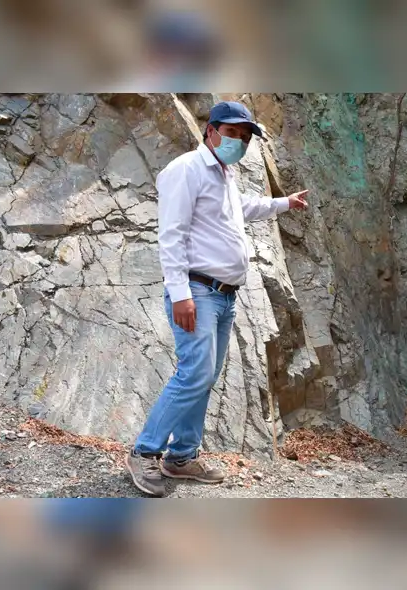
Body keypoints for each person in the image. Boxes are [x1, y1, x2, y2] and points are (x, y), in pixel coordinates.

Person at [127, 101, 309, 496]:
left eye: (245, 138)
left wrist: (283, 203)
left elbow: (241, 208)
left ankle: (181, 458)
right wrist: (179, 294)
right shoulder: (185, 171)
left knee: (204, 376)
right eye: (232, 134)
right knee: (194, 373)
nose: (239, 143)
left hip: (224, 296)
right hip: (196, 291)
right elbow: (171, 235)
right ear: (211, 130)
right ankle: (144, 453)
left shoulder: (223, 174)